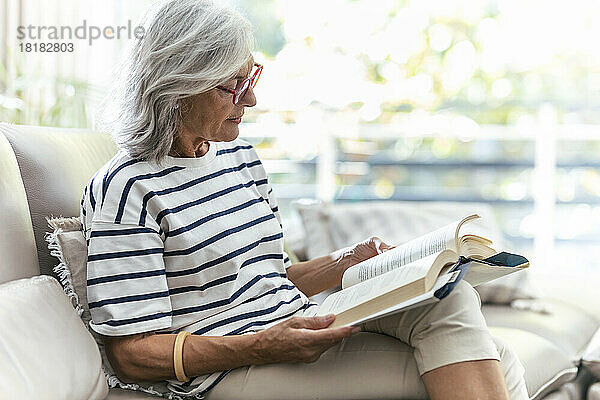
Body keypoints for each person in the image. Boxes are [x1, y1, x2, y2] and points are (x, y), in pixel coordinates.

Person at [81, 0, 529, 399]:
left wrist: (347, 261)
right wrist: (264, 344)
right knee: (497, 364)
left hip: (293, 322)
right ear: (176, 88)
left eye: (250, 77)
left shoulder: (238, 156)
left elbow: (266, 280)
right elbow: (132, 354)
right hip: (227, 368)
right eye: (231, 86)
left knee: (458, 308)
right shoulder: (127, 189)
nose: (251, 98)